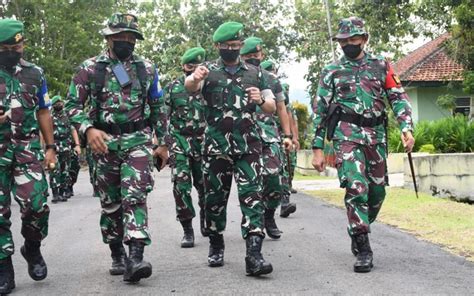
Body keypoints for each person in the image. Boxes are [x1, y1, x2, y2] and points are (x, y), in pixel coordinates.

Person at [65, 13, 168, 283]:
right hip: (103, 144)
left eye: (130, 37)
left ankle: (136, 257)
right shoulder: (89, 69)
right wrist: (88, 129)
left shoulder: (147, 68)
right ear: (109, 38)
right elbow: (72, 106)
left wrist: (163, 143)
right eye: (120, 36)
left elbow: (158, 107)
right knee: (111, 203)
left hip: (138, 141)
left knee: (135, 196)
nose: (125, 41)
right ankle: (116, 252)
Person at [311, 17, 415, 273]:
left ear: (364, 39)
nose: (347, 44)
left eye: (352, 40)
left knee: (377, 193)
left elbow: (398, 98)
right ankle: (362, 244)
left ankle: (359, 225)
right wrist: (317, 148)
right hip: (346, 136)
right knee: (357, 187)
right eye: (343, 41)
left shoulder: (381, 65)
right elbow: (320, 110)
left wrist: (406, 127)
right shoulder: (331, 71)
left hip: (376, 135)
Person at [185, 21, 275, 276]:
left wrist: (261, 101)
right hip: (216, 147)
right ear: (218, 46)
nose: (232, 50)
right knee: (215, 200)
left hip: (249, 145)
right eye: (227, 46)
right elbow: (189, 87)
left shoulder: (255, 73)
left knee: (252, 197)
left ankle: (254, 254)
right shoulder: (208, 72)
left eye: (236, 46)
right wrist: (194, 77)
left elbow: (270, 106)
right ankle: (215, 242)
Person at [0, 18, 56, 294]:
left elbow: (44, 110)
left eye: (16, 46)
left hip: (26, 148)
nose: (12, 50)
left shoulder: (35, 74)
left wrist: (50, 147)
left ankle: (31, 247)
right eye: (6, 47)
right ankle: (4, 268)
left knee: (36, 205)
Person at [240, 37, 293, 239]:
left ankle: (269, 215)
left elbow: (281, 108)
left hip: (269, 135)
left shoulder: (271, 79)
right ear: (241, 56)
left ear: (262, 55)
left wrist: (287, 135)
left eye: (256, 55)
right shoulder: (236, 77)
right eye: (248, 56)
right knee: (251, 184)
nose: (253, 58)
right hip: (244, 136)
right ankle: (254, 224)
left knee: (273, 180)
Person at [164, 47, 207, 248]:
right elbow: (164, 116)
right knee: (181, 186)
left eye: (198, 66)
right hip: (179, 141)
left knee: (206, 186)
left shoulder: (209, 86)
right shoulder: (173, 87)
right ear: (183, 66)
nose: (193, 70)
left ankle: (206, 220)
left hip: (205, 143)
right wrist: (162, 145)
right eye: (190, 66)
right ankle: (187, 229)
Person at [261, 63, 297, 218]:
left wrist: (291, 136)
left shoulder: (276, 84)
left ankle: (284, 202)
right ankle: (263, 210)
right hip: (256, 132)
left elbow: (286, 112)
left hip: (276, 133)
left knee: (279, 169)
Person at [49, 95, 74, 203]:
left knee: (65, 170)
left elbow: (73, 130)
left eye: (60, 102)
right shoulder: (49, 117)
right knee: (54, 169)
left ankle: (62, 192)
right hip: (54, 146)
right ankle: (55, 193)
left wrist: (76, 144)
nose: (59, 104)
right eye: (56, 102)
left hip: (66, 146)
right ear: (53, 105)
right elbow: (44, 133)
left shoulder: (67, 116)